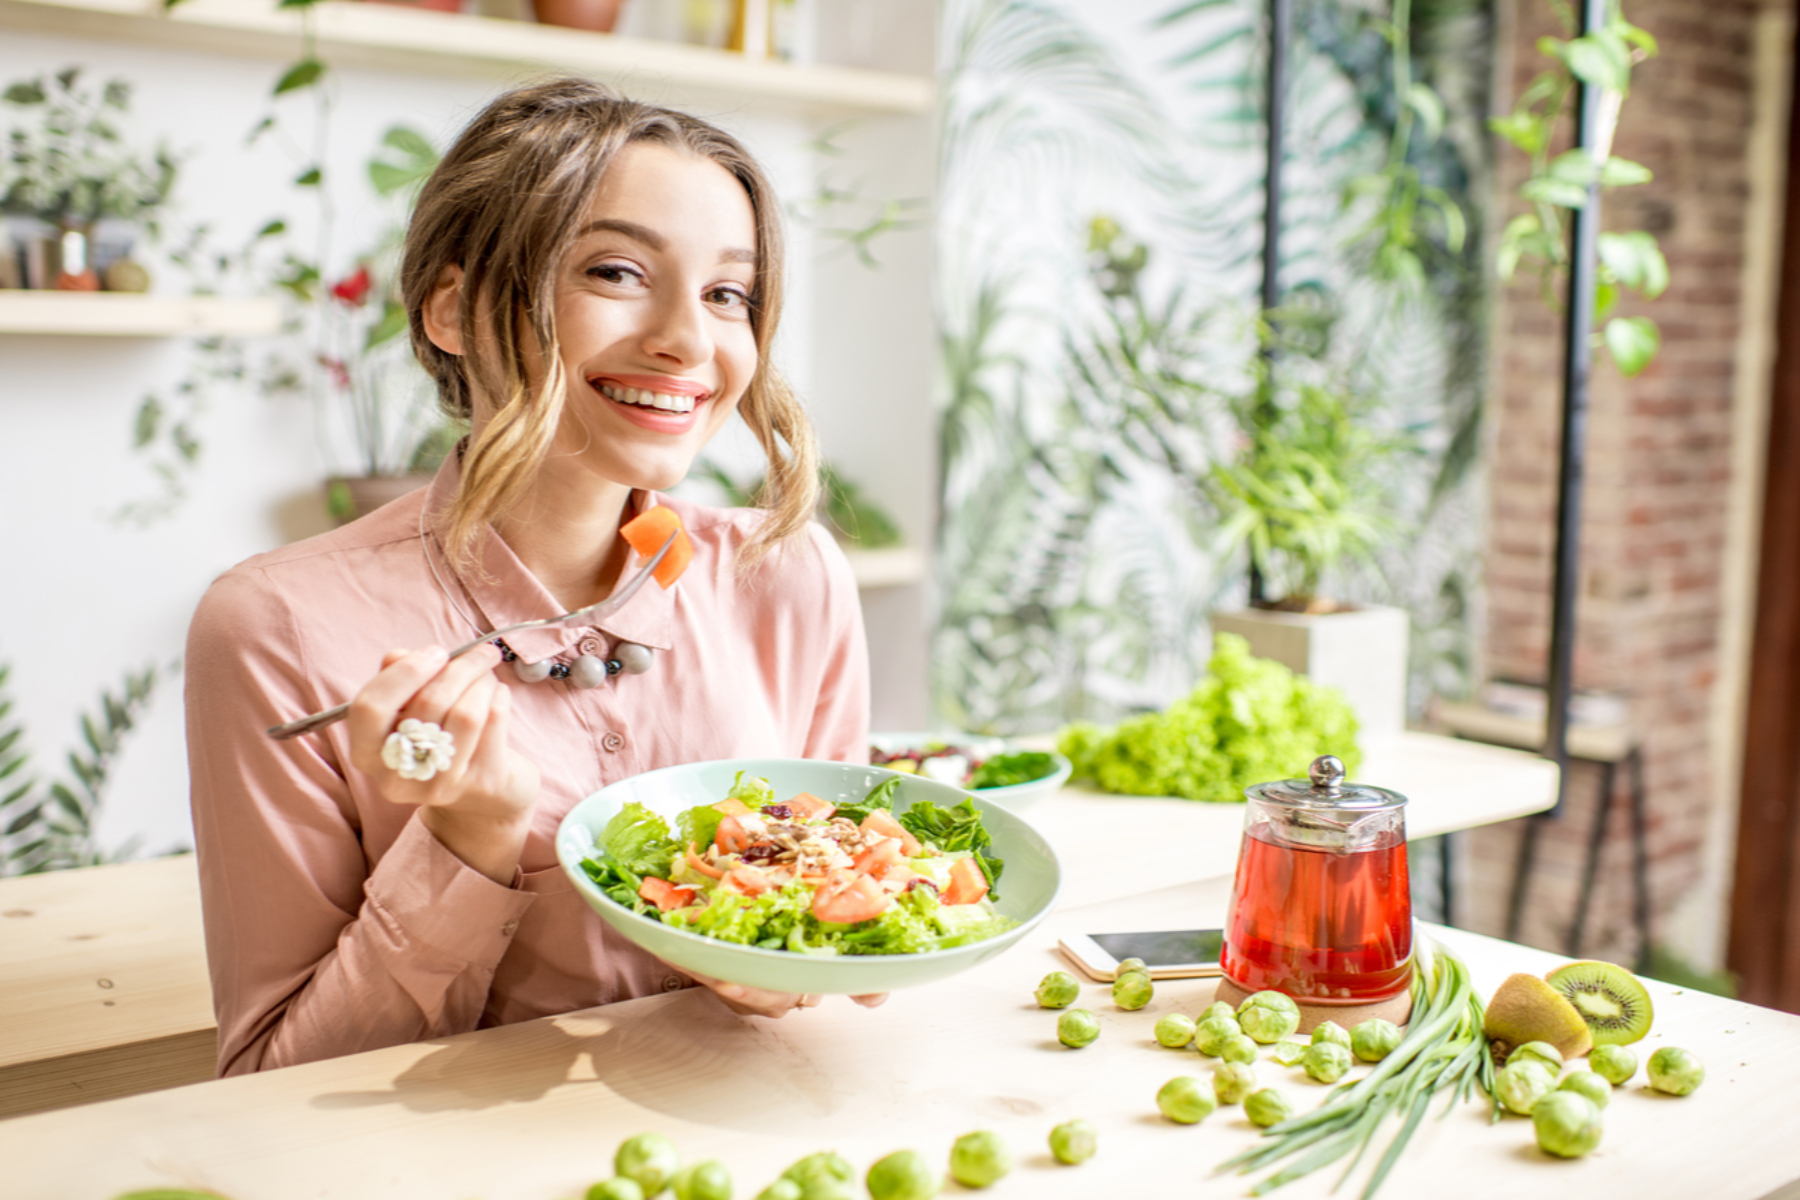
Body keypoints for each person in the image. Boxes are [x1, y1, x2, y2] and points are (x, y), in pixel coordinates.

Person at [185, 77, 876, 1077]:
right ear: (457, 310)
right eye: (616, 271)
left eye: (730, 292)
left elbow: (856, 954)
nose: (689, 338)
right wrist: (471, 838)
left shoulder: (787, 576)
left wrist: (792, 963)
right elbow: (270, 1084)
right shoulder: (275, 627)